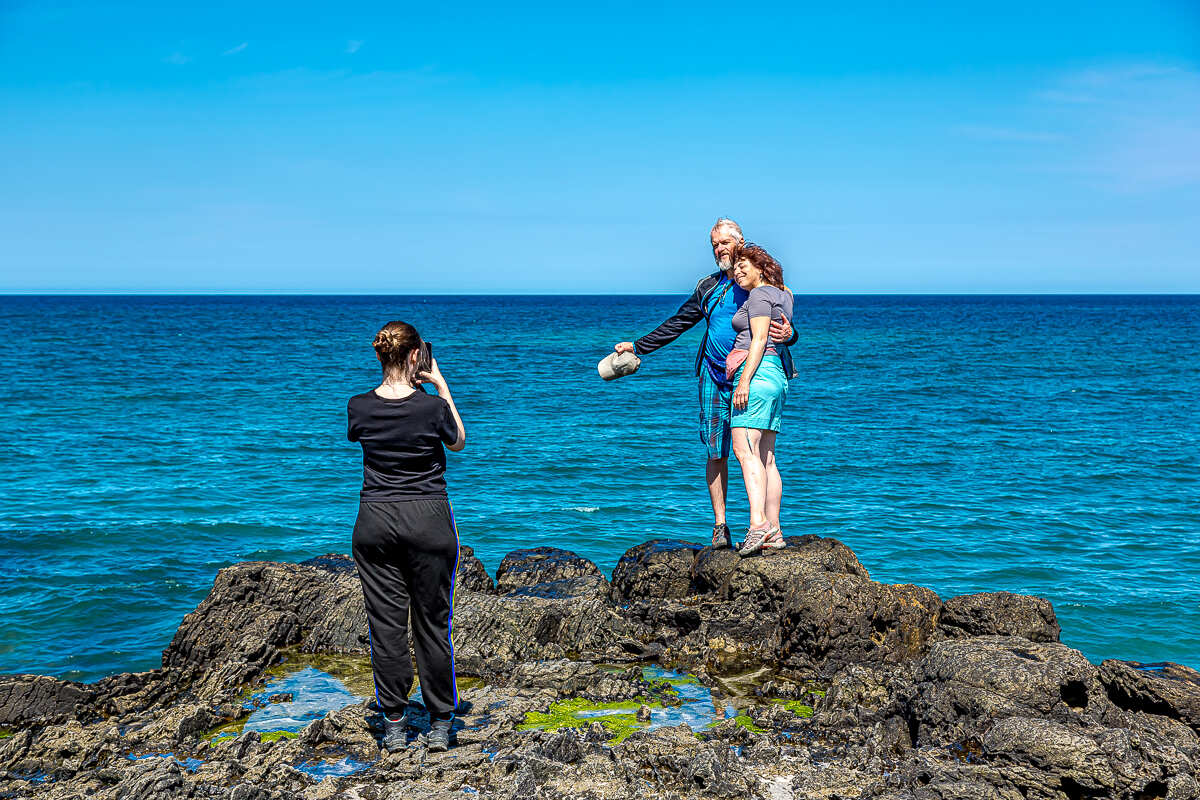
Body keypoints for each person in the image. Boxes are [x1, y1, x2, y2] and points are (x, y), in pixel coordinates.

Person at [613, 218, 796, 549]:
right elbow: (679, 322)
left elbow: (783, 324)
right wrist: (638, 346)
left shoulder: (756, 281)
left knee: (757, 452)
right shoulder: (708, 287)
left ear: (740, 242)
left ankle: (766, 527)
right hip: (713, 375)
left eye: (725, 242)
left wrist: (792, 335)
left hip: (750, 376)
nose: (719, 249)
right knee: (717, 451)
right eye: (714, 245)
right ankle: (721, 525)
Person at [347, 320, 466, 753]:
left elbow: (368, 432)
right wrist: (441, 386)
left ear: (380, 355)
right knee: (433, 624)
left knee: (387, 627)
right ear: (417, 356)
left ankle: (395, 724)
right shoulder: (432, 408)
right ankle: (438, 725)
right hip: (429, 520)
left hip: (375, 521)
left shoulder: (358, 407)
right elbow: (458, 442)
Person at [725, 244, 792, 556]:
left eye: (744, 267)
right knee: (766, 456)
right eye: (735, 268)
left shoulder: (759, 295)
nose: (738, 272)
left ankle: (758, 525)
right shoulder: (784, 293)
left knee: (744, 448)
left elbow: (760, 339)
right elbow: (781, 333)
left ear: (761, 268)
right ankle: (774, 531)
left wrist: (745, 382)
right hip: (775, 375)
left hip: (758, 372)